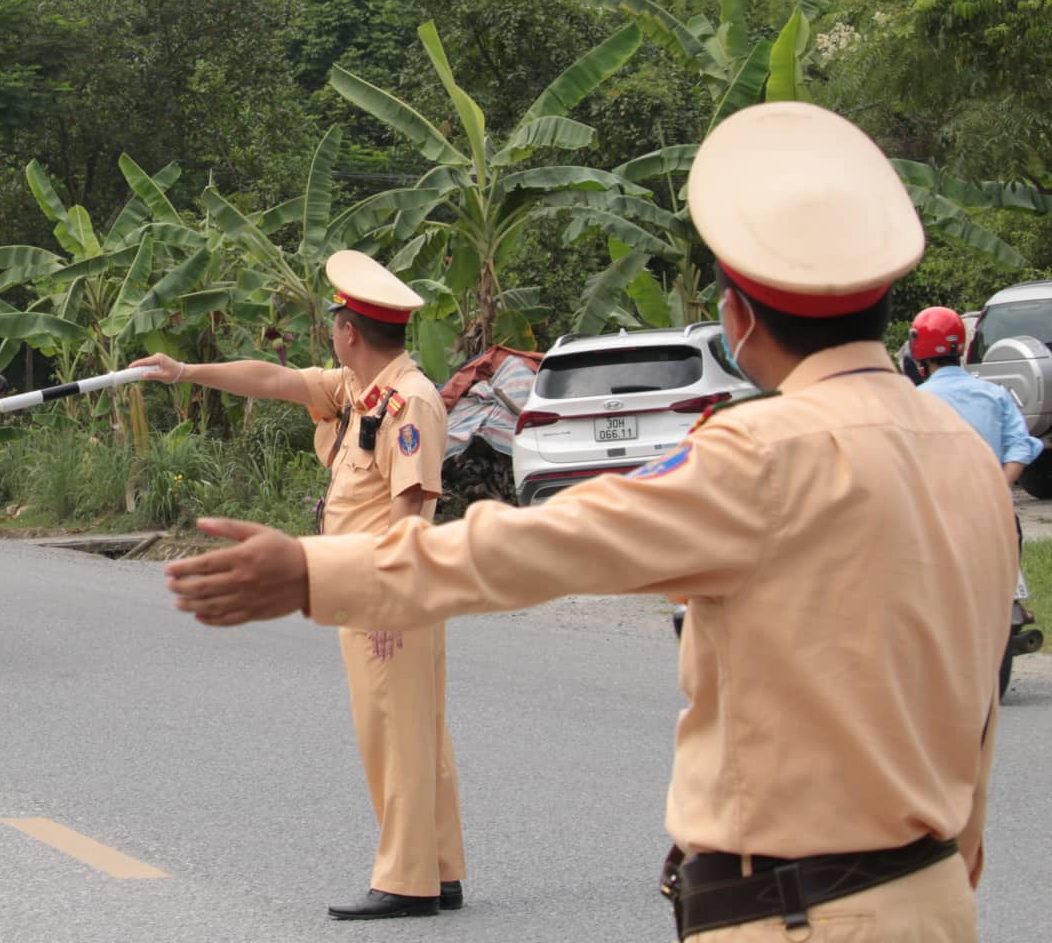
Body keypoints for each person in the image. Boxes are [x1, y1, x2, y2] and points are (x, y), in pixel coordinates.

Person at [163, 103, 1019, 942]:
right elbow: (977, 711)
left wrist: (317, 574)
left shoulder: (762, 452)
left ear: (737, 319)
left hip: (800, 912)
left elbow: (548, 543)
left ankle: (418, 870)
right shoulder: (968, 458)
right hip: (932, 899)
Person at [130, 249, 466, 921]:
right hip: (364, 586)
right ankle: (439, 867)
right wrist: (185, 371)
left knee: (393, 733)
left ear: (349, 332)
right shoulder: (358, 390)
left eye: (336, 323)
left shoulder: (411, 402)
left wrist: (389, 597)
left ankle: (406, 880)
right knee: (415, 731)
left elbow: (411, 512)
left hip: (385, 590)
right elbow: (274, 380)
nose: (333, 334)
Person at [910, 306, 1046, 486]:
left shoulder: (913, 400)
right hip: (993, 508)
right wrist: (999, 491)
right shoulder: (995, 394)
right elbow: (1020, 446)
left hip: (938, 509)